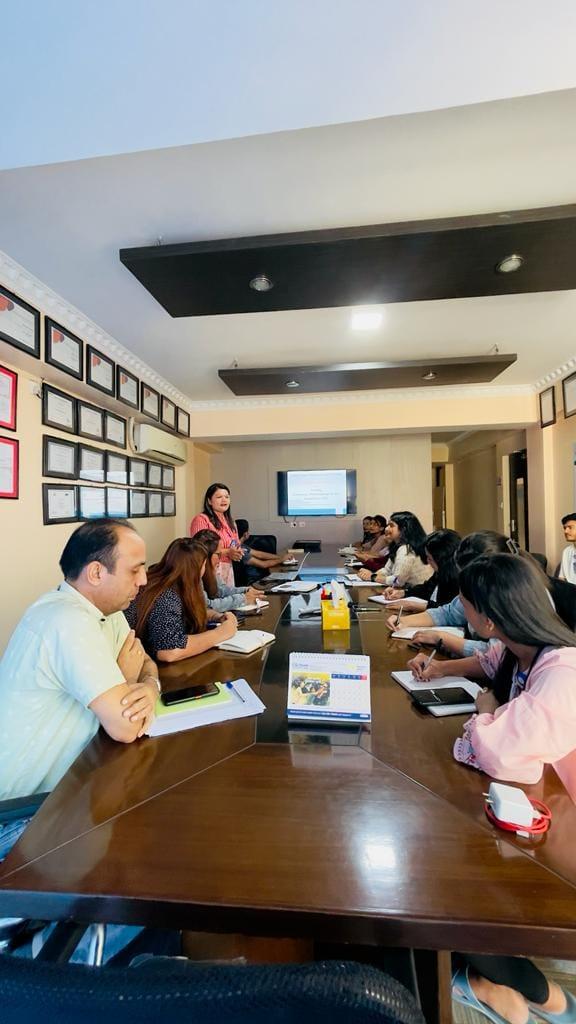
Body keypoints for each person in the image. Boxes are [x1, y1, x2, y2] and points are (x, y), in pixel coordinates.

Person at [0, 520, 160, 856]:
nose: (144, 580)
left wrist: (149, 686)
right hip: (20, 813)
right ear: (97, 573)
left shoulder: (107, 612)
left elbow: (144, 659)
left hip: (69, 786)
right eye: (135, 570)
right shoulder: (66, 620)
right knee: (144, 845)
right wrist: (126, 681)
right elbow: (126, 727)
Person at [409, 554, 576, 797]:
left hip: (558, 797)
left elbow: (501, 754)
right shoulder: (518, 646)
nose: (463, 613)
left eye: (464, 605)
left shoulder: (562, 673)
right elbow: (487, 662)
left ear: (488, 621)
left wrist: (486, 710)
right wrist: (440, 668)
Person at [394, 531, 576, 657]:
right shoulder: (485, 587)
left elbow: (498, 654)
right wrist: (404, 622)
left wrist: (444, 640)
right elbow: (451, 612)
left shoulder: (521, 598)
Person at [127, 538, 237, 662]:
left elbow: (181, 613)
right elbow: (169, 650)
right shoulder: (167, 595)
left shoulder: (170, 584)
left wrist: (215, 616)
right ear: (197, 568)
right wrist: (221, 633)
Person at [383, 528, 461, 606]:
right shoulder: (441, 572)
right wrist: (403, 593)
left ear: (442, 560)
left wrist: (419, 606)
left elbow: (447, 608)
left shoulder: (459, 580)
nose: (428, 562)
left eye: (430, 559)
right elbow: (426, 589)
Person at [192, 528, 265, 609]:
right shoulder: (194, 576)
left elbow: (221, 590)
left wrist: (246, 590)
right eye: (218, 554)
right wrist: (243, 599)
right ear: (206, 555)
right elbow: (208, 606)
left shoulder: (211, 570)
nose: (220, 559)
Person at [358, 511, 432, 588]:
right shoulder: (397, 546)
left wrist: (372, 577)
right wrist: (370, 575)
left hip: (418, 593)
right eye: (388, 525)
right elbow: (387, 570)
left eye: (391, 525)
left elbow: (398, 581)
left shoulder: (406, 549)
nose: (386, 529)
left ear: (403, 529)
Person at [190, 483, 241, 587]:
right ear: (209, 501)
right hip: (209, 569)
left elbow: (236, 544)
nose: (224, 500)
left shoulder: (231, 522)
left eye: (227, 497)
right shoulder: (201, 519)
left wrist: (238, 552)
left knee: (229, 595)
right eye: (219, 497)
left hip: (228, 568)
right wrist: (228, 552)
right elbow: (200, 549)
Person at [234, 518, 290, 584]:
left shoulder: (241, 545)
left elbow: (259, 554)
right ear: (245, 534)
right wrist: (282, 559)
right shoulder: (240, 551)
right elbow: (263, 564)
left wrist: (281, 557)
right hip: (252, 580)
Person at [559, 512, 576, 584]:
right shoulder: (567, 551)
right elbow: (562, 578)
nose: (565, 531)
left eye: (570, 527)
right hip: (569, 589)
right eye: (565, 528)